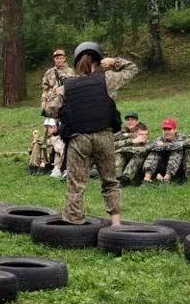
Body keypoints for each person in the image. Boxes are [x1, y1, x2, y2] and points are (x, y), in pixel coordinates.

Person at [42, 41, 138, 226]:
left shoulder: (67, 86)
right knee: (110, 181)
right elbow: (132, 68)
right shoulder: (108, 79)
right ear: (99, 60)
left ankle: (74, 222)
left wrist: (63, 104)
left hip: (79, 139)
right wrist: (113, 61)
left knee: (76, 184)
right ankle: (116, 223)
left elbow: (49, 110)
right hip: (104, 136)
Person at [142, 118, 185, 183]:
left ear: (175, 130)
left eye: (169, 129)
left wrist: (163, 145)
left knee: (176, 151)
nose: (166, 132)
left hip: (178, 166)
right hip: (162, 165)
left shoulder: (181, 137)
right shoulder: (160, 138)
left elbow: (179, 145)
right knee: (154, 153)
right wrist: (162, 146)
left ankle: (167, 179)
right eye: (165, 129)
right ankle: (147, 179)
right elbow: (149, 147)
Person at [40, 49, 75, 116]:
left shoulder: (71, 71)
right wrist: (43, 102)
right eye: (57, 58)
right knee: (52, 125)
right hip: (53, 103)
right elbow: (45, 89)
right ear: (54, 59)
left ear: (64, 58)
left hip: (68, 102)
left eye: (61, 58)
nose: (59, 60)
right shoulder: (49, 72)